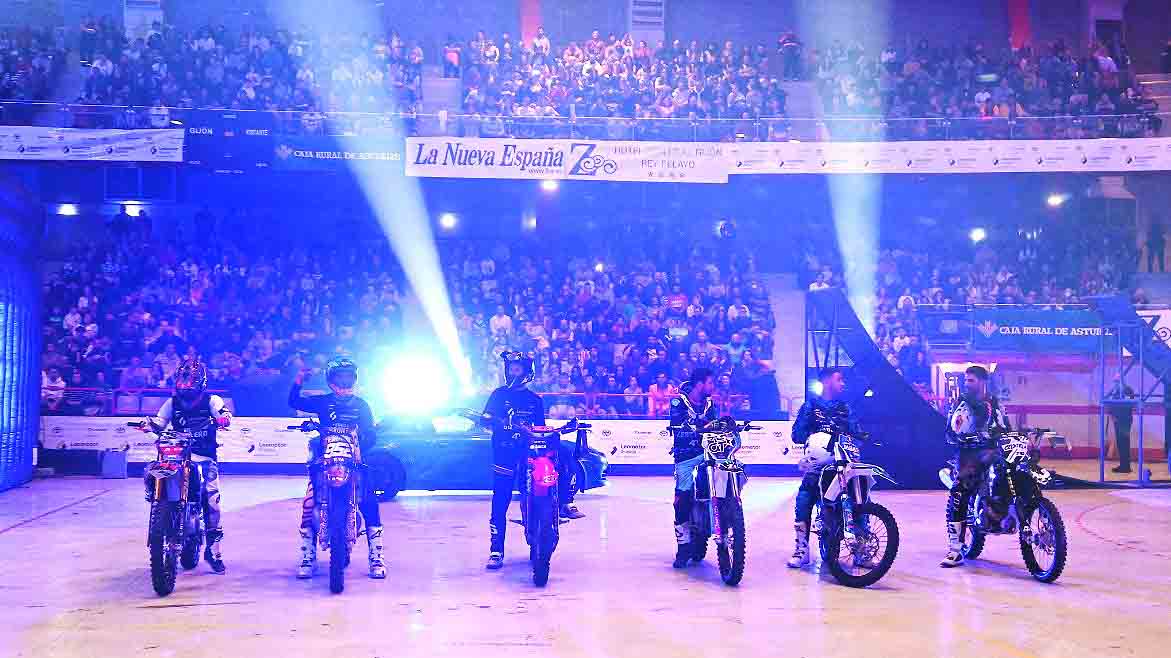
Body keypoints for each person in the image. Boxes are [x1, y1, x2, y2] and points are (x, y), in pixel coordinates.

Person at [482, 352, 584, 571]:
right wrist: (503, 423)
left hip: (528, 453)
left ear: (527, 372)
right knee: (501, 500)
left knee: (557, 466)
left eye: (517, 368)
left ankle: (565, 503)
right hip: (504, 453)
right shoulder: (498, 395)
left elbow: (540, 428)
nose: (513, 372)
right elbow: (486, 419)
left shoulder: (535, 400)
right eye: (510, 368)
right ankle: (496, 550)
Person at [288, 357, 385, 580]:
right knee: (309, 503)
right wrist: (299, 380)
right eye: (340, 377)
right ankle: (307, 557)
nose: (344, 381)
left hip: (354, 462)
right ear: (331, 380)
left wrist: (364, 437)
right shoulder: (322, 402)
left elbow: (371, 435)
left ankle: (376, 558)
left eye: (348, 376)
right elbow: (294, 401)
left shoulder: (362, 405)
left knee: (369, 502)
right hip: (325, 461)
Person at [142, 358, 232, 573]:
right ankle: (157, 502)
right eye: (182, 382)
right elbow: (160, 422)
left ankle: (214, 549)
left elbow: (224, 414)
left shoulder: (211, 400)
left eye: (189, 382)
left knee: (211, 499)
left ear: (200, 382)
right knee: (151, 470)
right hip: (176, 457)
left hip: (204, 458)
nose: (185, 387)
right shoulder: (172, 403)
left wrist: (224, 419)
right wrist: (149, 425)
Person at [787, 367, 861, 568]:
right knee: (804, 498)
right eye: (839, 379)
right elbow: (796, 435)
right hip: (817, 467)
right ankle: (802, 548)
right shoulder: (810, 406)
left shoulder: (845, 408)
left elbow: (857, 433)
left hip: (843, 465)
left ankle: (861, 548)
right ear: (827, 381)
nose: (843, 383)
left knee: (861, 497)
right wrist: (815, 439)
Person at [940, 365, 1011, 568]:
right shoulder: (961, 403)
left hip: (993, 452)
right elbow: (950, 431)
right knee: (959, 493)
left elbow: (1005, 426)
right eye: (966, 380)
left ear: (982, 381)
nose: (966, 384)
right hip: (969, 455)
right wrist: (960, 436)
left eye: (970, 380)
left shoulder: (995, 403)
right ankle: (955, 549)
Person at [668, 367, 719, 568]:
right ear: (700, 384)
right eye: (710, 383)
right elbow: (677, 422)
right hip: (686, 457)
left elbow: (714, 423)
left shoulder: (709, 403)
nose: (712, 387)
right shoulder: (678, 402)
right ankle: (683, 548)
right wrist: (702, 424)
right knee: (682, 498)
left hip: (709, 454)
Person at [1106, 378, 1136, 474]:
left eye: (1117, 381)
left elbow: (1127, 405)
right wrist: (1112, 414)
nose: (1115, 383)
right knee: (1120, 443)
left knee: (1124, 443)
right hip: (1118, 420)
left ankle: (1126, 466)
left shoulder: (1127, 390)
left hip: (1124, 420)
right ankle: (1123, 465)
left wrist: (1116, 414)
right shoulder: (1117, 391)